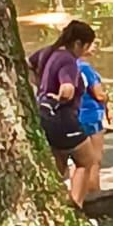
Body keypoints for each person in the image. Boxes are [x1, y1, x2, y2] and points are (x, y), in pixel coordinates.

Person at [27, 21, 97, 207]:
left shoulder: (48, 51)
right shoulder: (68, 60)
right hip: (64, 119)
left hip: (44, 116)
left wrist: (38, 85)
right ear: (78, 44)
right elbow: (67, 89)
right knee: (86, 161)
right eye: (86, 45)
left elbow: (27, 64)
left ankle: (54, 206)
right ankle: (76, 206)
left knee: (59, 166)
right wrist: (59, 96)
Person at [77, 41, 109, 196]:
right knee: (94, 159)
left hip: (74, 117)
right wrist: (106, 97)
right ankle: (94, 194)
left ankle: (77, 194)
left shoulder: (67, 65)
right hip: (91, 116)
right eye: (90, 43)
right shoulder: (85, 68)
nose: (95, 46)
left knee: (77, 161)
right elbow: (98, 94)